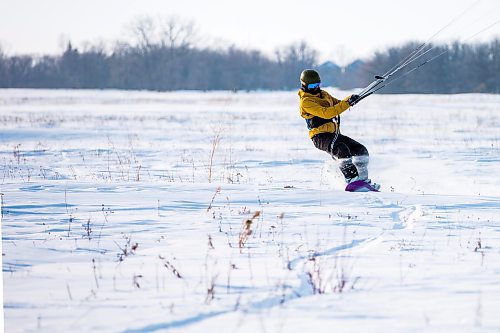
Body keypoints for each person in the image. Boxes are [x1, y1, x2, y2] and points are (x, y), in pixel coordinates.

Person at [298, 69, 379, 192]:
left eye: (318, 84)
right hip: (319, 136)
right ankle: (351, 179)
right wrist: (347, 103)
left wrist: (351, 98)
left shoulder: (324, 94)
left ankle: (362, 180)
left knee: (360, 149)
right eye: (312, 86)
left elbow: (339, 104)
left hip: (333, 134)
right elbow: (327, 113)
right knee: (341, 149)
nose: (316, 88)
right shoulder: (306, 101)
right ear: (304, 85)